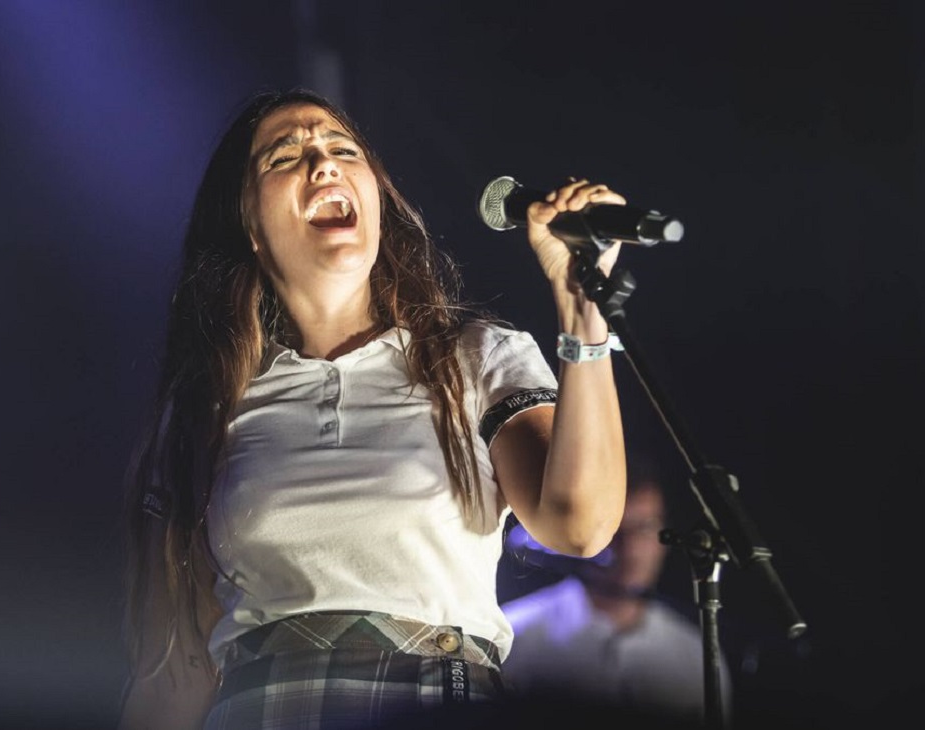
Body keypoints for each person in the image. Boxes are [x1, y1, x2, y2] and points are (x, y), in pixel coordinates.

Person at [116, 87, 629, 729]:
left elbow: (579, 525)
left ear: (377, 198)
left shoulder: (475, 357)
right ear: (248, 223)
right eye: (285, 157)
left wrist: (583, 309)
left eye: (341, 149)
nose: (323, 164)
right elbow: (173, 673)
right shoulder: (206, 408)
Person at [499, 457, 734, 725]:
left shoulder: (695, 657)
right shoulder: (513, 637)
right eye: (614, 531)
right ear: (585, 533)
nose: (630, 547)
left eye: (645, 527)